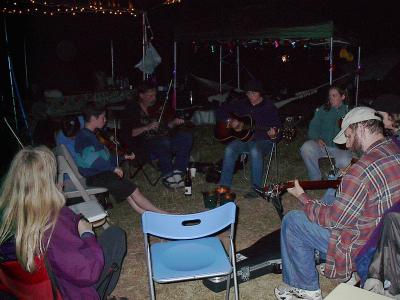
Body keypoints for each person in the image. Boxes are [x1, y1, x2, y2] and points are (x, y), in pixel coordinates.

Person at [275, 106, 400, 300]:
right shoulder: (394, 148)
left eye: (348, 136)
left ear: (361, 128)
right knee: (331, 195)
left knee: (293, 221)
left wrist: (303, 197)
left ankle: (305, 288)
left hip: (364, 247)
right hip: (389, 238)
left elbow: (334, 220)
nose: (348, 145)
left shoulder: (361, 171)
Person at [0, 146, 127, 299]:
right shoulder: (53, 221)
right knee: (115, 235)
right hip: (69, 292)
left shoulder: (7, 216)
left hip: (35, 291)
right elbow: (88, 272)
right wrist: (87, 233)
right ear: (48, 182)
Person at [74, 101, 167, 214]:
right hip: (95, 176)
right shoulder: (84, 138)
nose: (105, 120)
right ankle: (161, 213)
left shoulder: (92, 135)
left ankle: (144, 212)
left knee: (126, 187)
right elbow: (92, 160)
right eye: (103, 117)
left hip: (99, 174)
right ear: (94, 118)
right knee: (133, 189)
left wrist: (123, 156)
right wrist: (113, 168)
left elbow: (105, 157)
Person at [119, 81, 193, 189]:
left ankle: (178, 171)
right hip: (144, 143)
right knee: (163, 142)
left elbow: (164, 127)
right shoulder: (132, 109)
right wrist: (146, 127)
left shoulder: (157, 107)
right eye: (151, 95)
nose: (154, 98)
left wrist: (173, 123)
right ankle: (167, 175)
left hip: (164, 139)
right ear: (141, 95)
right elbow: (127, 133)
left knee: (186, 137)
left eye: (155, 95)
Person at [215, 79, 281, 198]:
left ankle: (256, 188)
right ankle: (224, 185)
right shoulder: (242, 104)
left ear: (260, 93)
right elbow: (220, 111)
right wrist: (230, 120)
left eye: (253, 93)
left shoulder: (269, 108)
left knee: (255, 150)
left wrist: (273, 135)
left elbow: (277, 134)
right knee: (230, 149)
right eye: (248, 93)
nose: (250, 96)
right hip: (245, 140)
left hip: (263, 141)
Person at [300, 86, 353, 180]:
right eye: (330, 96)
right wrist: (316, 138)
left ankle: (335, 180)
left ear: (342, 97)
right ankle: (315, 178)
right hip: (323, 145)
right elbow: (313, 127)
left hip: (341, 148)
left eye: (334, 96)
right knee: (306, 148)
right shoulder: (323, 110)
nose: (331, 99)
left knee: (344, 162)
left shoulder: (349, 111)